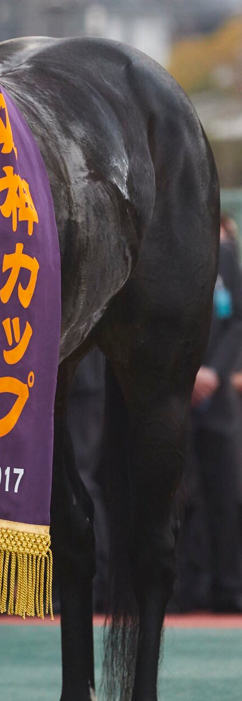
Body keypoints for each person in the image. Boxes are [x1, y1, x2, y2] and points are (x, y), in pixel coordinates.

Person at [177, 218, 242, 611]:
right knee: (181, 497)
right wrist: (186, 374)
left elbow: (236, 321)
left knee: (225, 493)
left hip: (218, 398)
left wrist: (215, 373)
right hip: (175, 393)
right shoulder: (169, 246)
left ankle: (227, 587)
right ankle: (185, 588)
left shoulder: (227, 256)